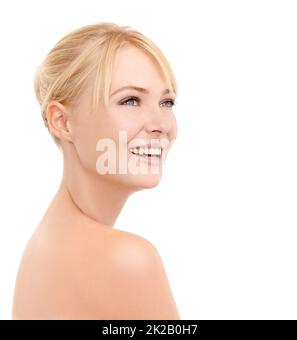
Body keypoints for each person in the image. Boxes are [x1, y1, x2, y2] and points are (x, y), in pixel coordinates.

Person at [12, 22, 180, 320]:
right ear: (62, 122)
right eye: (131, 100)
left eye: (166, 102)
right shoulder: (129, 260)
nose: (162, 125)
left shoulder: (41, 251)